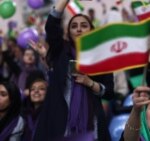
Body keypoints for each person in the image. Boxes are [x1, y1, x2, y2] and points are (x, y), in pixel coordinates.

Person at [33, 0, 114, 141]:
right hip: (59, 118)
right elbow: (51, 26)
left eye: (84, 26)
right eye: (74, 26)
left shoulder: (101, 57)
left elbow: (109, 92)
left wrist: (90, 83)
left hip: (91, 121)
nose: (79, 29)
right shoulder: (61, 51)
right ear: (68, 32)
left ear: (91, 30)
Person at [22, 72, 47, 141]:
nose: (36, 91)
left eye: (41, 89)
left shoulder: (50, 114)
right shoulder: (24, 114)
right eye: (32, 89)